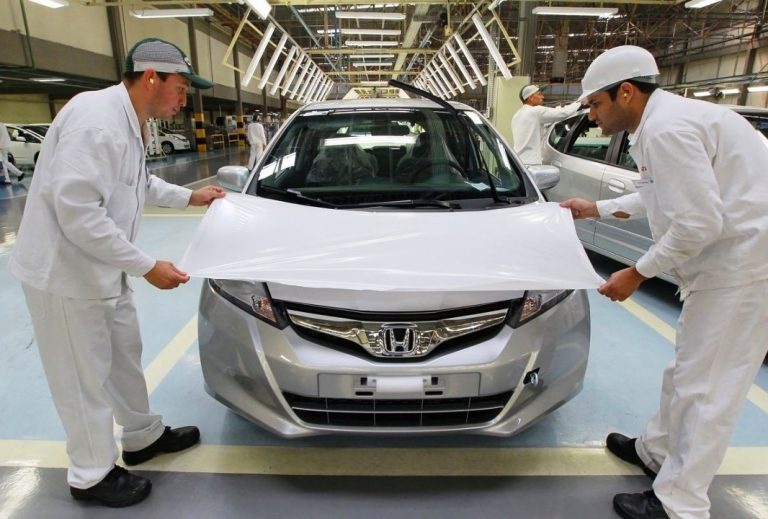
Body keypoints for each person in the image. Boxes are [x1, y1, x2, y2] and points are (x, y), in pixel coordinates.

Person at [8, 38, 226, 508]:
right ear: (151, 77)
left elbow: (137, 181)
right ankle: (91, 475)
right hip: (65, 275)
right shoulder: (96, 122)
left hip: (103, 268)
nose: (184, 98)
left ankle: (142, 435)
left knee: (124, 354)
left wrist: (191, 196)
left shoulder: (132, 122)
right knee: (81, 376)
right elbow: (79, 214)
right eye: (181, 87)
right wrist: (146, 266)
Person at [560, 45, 768, 519]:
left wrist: (637, 272)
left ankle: (680, 504)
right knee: (685, 373)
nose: (591, 116)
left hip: (741, 273)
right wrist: (595, 209)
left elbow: (698, 223)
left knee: (707, 391)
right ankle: (655, 452)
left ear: (626, 92)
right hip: (726, 266)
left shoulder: (667, 129)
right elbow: (659, 192)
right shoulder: (663, 123)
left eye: (595, 104)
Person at [510, 84, 581, 165]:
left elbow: (547, 120)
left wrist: (558, 108)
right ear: (530, 97)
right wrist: (579, 102)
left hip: (517, 161)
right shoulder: (535, 111)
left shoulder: (517, 115)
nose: (543, 97)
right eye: (539, 94)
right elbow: (563, 113)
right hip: (532, 163)